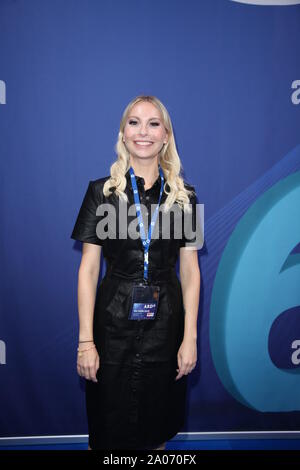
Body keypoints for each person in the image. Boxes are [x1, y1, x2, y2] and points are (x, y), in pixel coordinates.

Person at [70, 95, 201, 450]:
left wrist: (189, 338)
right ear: (123, 134)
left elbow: (190, 271)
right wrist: (86, 342)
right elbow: (88, 270)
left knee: (157, 427)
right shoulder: (100, 193)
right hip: (111, 327)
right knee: (109, 427)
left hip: (166, 326)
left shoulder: (186, 197)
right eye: (134, 122)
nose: (143, 131)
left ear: (166, 136)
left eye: (153, 123)